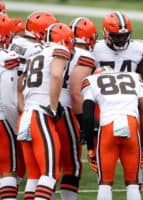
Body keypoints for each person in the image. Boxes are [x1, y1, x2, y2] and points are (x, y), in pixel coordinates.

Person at [17, 22, 74, 200]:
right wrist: (54, 106)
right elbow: (56, 75)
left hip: (26, 115)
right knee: (50, 173)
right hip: (40, 115)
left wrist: (23, 107)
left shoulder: (35, 54)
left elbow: (19, 85)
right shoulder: (59, 50)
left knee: (34, 176)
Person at [81, 67, 143, 200]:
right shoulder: (134, 77)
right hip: (131, 125)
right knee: (133, 183)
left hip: (108, 126)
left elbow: (87, 116)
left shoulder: (92, 80)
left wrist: (90, 148)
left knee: (105, 183)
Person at [54, 16, 97, 200]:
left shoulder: (54, 49)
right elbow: (75, 93)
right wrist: (84, 123)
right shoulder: (85, 56)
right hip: (66, 111)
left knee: (46, 165)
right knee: (72, 166)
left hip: (43, 108)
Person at [92, 11, 143, 89]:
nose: (121, 39)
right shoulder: (95, 49)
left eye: (125, 35)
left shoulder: (137, 48)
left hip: (130, 96)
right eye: (117, 36)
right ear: (106, 33)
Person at [0, 14, 20, 200]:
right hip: (1, 120)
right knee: (8, 170)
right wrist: (15, 126)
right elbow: (7, 100)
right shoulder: (7, 58)